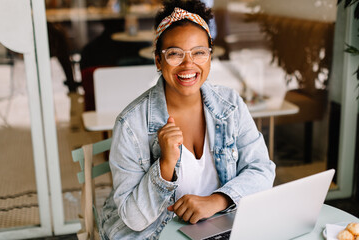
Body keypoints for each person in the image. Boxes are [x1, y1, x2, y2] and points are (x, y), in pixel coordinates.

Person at [100, 0, 275, 239]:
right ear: (158, 61)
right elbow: (133, 218)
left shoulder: (231, 105)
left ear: (210, 57)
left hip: (219, 224)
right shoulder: (131, 124)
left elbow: (262, 170)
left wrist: (217, 200)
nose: (188, 64)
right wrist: (165, 166)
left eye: (199, 53)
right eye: (175, 54)